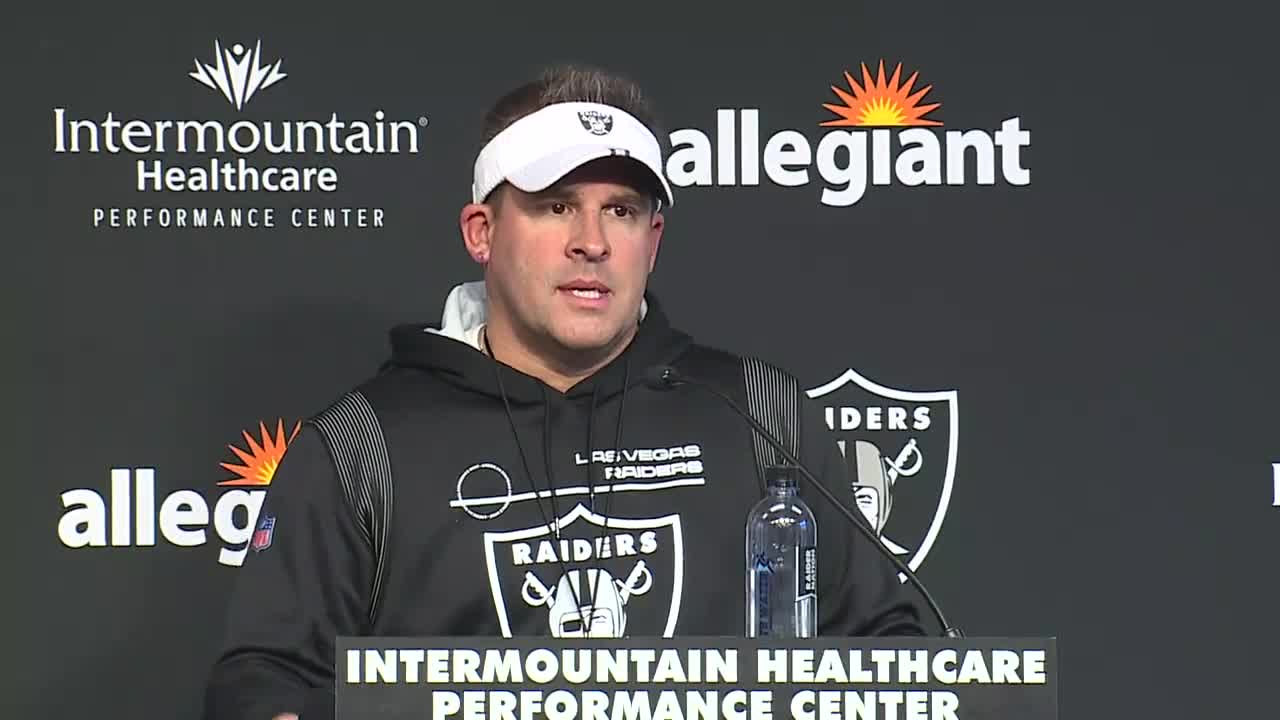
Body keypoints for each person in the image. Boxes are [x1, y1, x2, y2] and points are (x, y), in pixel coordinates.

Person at [202, 63, 927, 720]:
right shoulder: (361, 446)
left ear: (653, 241)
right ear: (481, 232)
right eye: (555, 206)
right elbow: (265, 683)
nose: (592, 241)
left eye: (622, 210)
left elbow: (891, 652)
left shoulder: (761, 413)